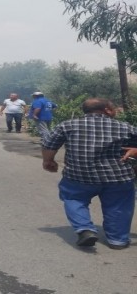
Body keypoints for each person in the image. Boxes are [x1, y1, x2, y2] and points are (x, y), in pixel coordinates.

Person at [41, 98, 137, 249]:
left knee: (73, 199)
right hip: (118, 177)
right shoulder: (124, 127)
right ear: (107, 109)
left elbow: (49, 145)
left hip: (79, 176)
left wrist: (48, 161)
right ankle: (117, 240)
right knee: (118, 206)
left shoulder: (67, 125)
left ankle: (85, 229)